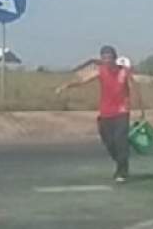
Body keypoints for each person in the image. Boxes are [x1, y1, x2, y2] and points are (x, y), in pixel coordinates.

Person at [56, 45, 144, 182]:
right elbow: (82, 81)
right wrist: (66, 85)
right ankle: (120, 161)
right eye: (104, 58)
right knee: (109, 142)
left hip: (122, 111)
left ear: (115, 58)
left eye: (109, 58)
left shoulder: (124, 72)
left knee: (120, 140)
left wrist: (141, 111)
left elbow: (135, 89)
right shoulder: (100, 71)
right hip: (105, 113)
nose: (107, 61)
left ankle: (122, 171)